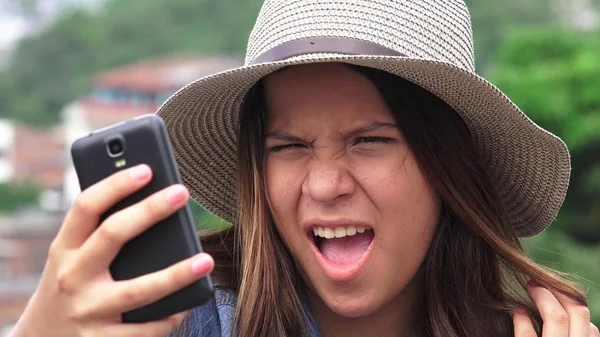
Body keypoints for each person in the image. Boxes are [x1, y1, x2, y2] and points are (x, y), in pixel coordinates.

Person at [10, 0, 599, 336]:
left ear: (447, 168)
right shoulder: (182, 325)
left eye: (370, 140)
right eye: (286, 147)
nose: (323, 185)